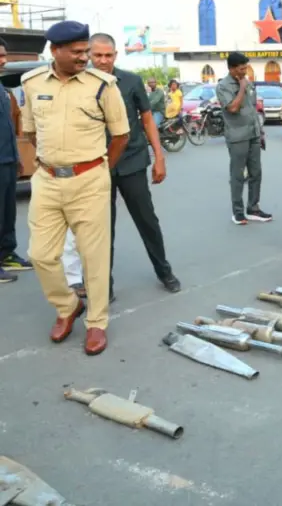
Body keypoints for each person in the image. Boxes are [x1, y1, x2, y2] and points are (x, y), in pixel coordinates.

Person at [21, 21, 130, 356]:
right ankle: (67, 305)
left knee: (93, 257)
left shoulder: (103, 85)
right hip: (48, 180)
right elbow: (30, 131)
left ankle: (96, 322)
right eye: (78, 52)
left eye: (87, 51)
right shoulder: (32, 82)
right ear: (55, 51)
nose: (86, 57)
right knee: (39, 254)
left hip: (90, 180)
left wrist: (97, 171)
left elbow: (121, 135)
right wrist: (52, 162)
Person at [85, 33, 180, 298]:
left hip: (132, 161)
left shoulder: (131, 81)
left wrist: (159, 157)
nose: (103, 60)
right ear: (89, 55)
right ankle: (105, 285)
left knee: (146, 220)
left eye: (108, 55)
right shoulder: (81, 84)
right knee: (103, 228)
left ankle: (164, 271)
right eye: (98, 55)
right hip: (96, 166)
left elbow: (148, 120)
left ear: (115, 55)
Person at [216, 52, 271, 225]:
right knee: (238, 175)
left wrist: (260, 132)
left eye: (246, 67)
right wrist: (241, 87)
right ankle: (238, 212)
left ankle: (253, 208)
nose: (244, 71)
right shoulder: (223, 86)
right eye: (241, 68)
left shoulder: (248, 83)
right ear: (232, 69)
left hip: (253, 133)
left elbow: (252, 108)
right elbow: (232, 108)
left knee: (256, 173)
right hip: (237, 136)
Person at [0, 37, 33, 282]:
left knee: (8, 213)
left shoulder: (3, 89)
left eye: (4, 55)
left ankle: (6, 254)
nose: (4, 61)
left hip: (8, 160)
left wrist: (17, 158)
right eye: (0, 56)